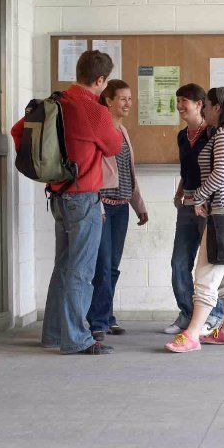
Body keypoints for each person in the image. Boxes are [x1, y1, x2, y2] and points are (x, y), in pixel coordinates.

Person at [10, 50, 121, 355]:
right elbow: (113, 146)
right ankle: (76, 338)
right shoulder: (94, 110)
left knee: (63, 266)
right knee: (81, 271)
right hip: (83, 198)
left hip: (58, 196)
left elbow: (17, 131)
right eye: (104, 81)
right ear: (100, 80)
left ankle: (54, 334)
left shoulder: (55, 101)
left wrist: (48, 164)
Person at [166, 86, 224, 353]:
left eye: (209, 105)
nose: (207, 110)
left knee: (206, 272)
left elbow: (220, 173)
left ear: (217, 108)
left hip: (222, 213)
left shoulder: (222, 134)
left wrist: (199, 196)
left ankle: (191, 334)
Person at [85, 79, 148, 341]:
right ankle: (97, 322)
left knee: (112, 267)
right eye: (122, 98)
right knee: (102, 265)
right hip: (102, 207)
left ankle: (107, 316)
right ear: (108, 100)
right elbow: (94, 172)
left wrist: (139, 207)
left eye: (130, 99)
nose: (128, 103)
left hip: (121, 208)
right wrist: (96, 203)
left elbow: (128, 174)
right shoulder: (101, 130)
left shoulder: (123, 132)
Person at [164, 83, 224, 336]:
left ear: (199, 104)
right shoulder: (181, 136)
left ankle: (215, 314)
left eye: (184, 101)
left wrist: (204, 198)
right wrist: (180, 192)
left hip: (209, 207)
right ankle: (188, 313)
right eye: (178, 101)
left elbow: (215, 171)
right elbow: (186, 170)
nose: (180, 106)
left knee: (209, 264)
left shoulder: (212, 133)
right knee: (179, 262)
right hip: (187, 205)